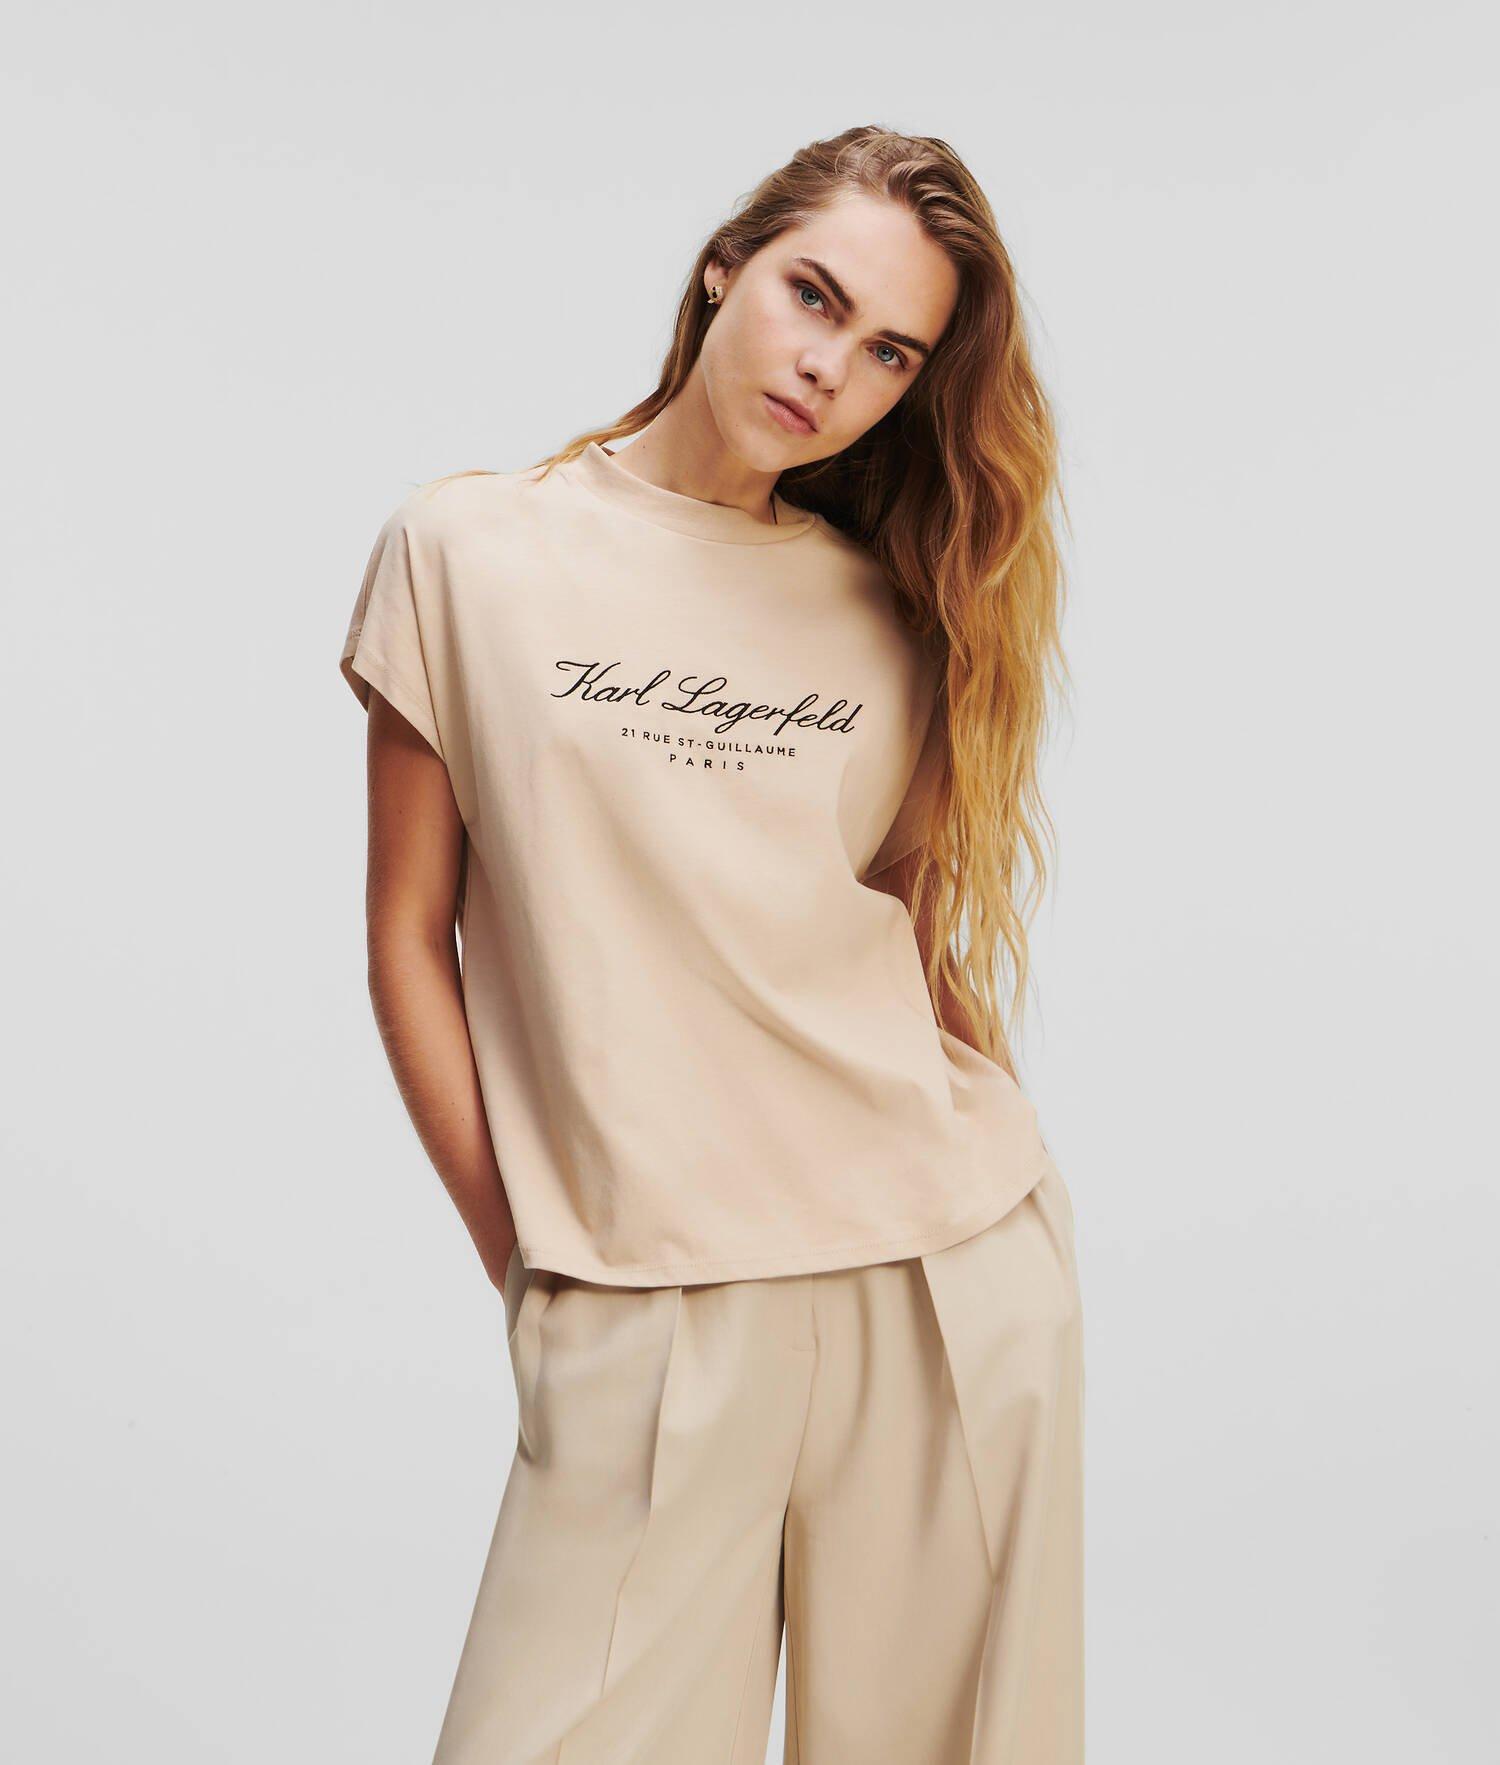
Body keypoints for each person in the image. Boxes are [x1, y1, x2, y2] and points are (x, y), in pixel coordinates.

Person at [338, 123, 1082, 1765]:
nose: (832, 366)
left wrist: (1012, 1196)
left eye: (890, 352)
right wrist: (531, 1263)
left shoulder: (889, 610)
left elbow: (905, 938)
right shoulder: (469, 551)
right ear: (724, 266)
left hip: (937, 1276)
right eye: (815, 295)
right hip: (641, 1290)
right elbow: (405, 938)